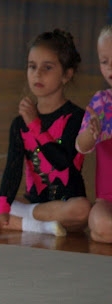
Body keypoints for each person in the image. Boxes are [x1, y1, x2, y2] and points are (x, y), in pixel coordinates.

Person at [0, 29, 90, 237]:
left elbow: (62, 162)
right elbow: (12, 170)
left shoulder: (76, 118)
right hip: (32, 202)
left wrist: (35, 125)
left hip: (65, 206)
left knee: (82, 209)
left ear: (67, 75)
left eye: (47, 68)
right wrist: (2, 209)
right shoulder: (19, 124)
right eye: (32, 66)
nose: (37, 74)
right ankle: (36, 226)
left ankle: (22, 218)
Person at [76, 26, 112, 244]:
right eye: (104, 61)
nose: (110, 67)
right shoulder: (101, 102)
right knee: (99, 224)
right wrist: (91, 133)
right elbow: (81, 146)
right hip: (108, 200)